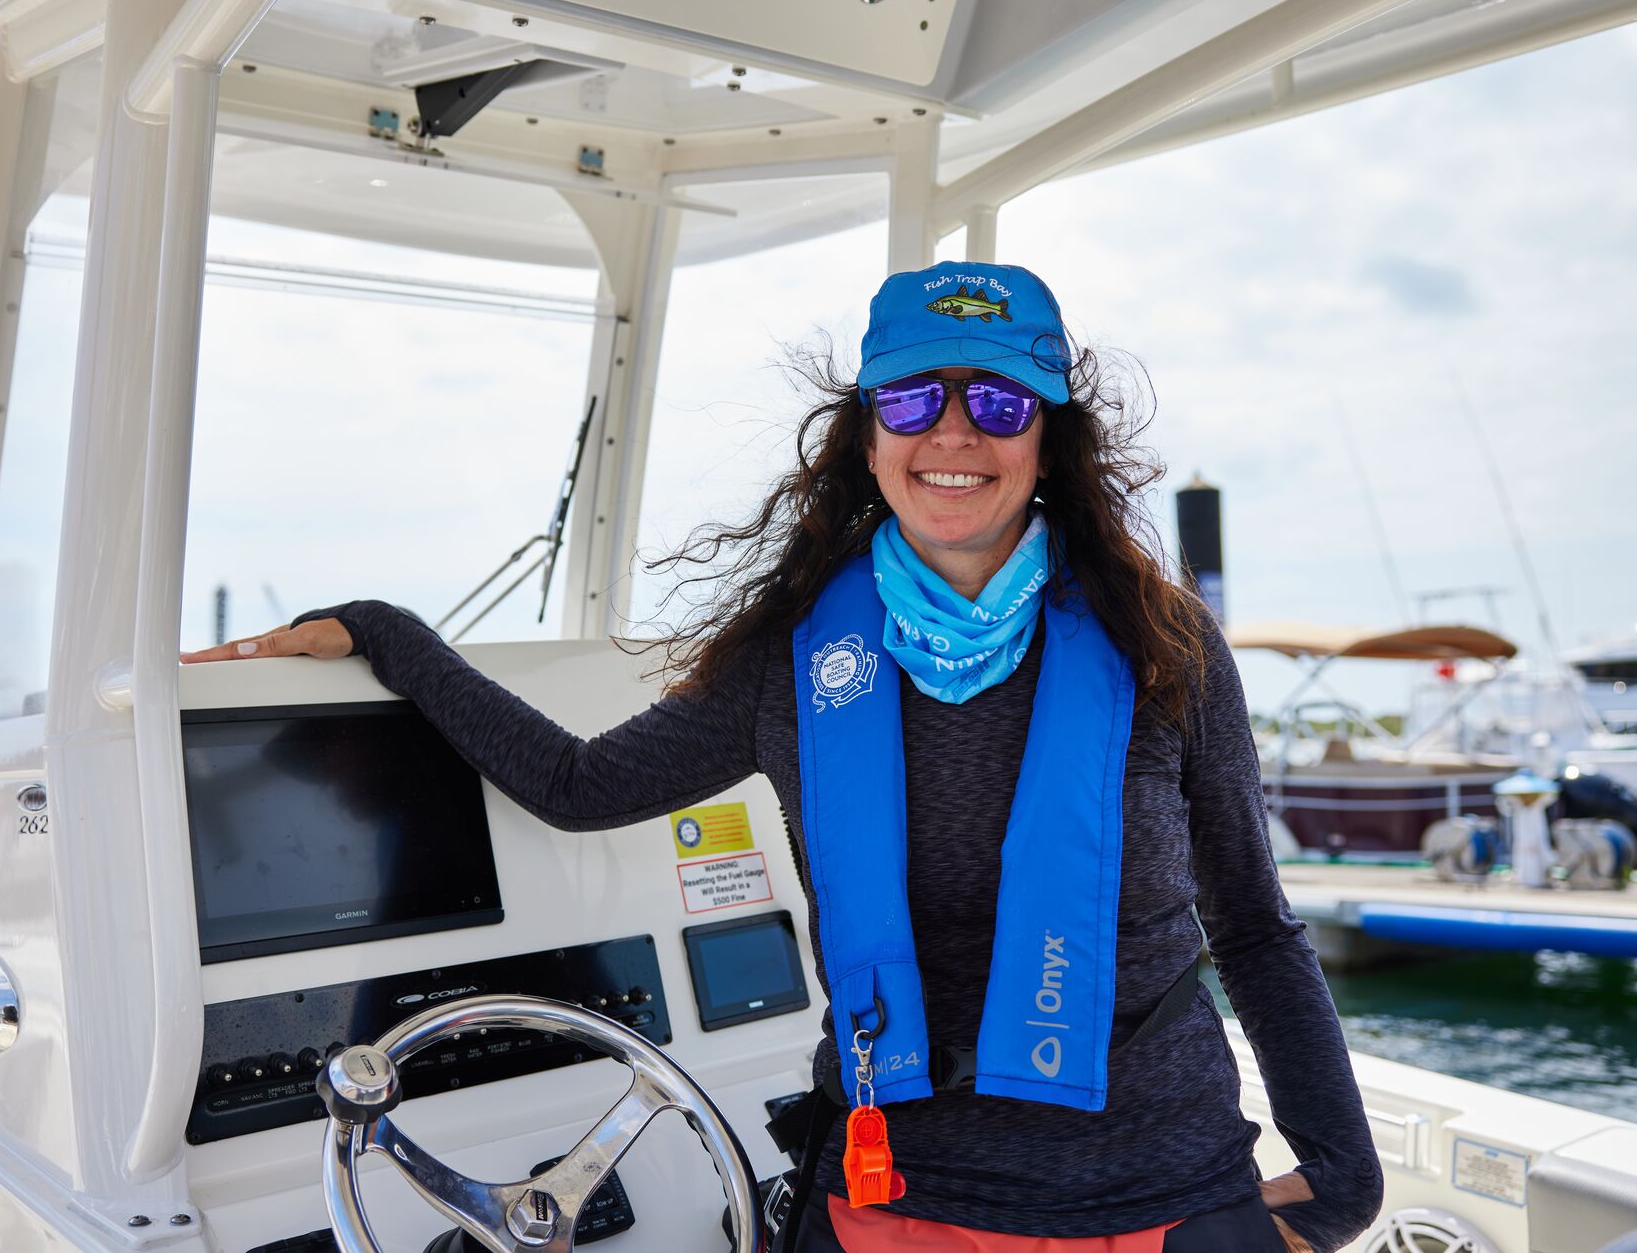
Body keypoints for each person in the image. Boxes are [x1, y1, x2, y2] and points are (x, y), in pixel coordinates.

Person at [184, 261, 1383, 1252]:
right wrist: (389, 634)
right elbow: (577, 787)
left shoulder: (1165, 646)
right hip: (896, 1198)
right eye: (910, 402)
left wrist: (1341, 1182)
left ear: (1048, 439)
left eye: (998, 402)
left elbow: (1254, 928)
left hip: (1166, 1195)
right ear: (868, 436)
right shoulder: (790, 663)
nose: (952, 434)